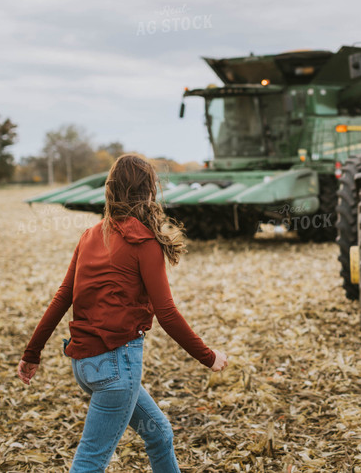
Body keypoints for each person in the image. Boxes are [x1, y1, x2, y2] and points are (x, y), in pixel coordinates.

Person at [17, 154, 228, 472]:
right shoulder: (144, 242)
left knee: (158, 434)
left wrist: (31, 354)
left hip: (86, 367)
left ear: (111, 190)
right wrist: (209, 356)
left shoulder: (91, 236)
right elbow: (166, 313)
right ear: (149, 192)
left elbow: (62, 298)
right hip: (116, 369)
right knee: (90, 460)